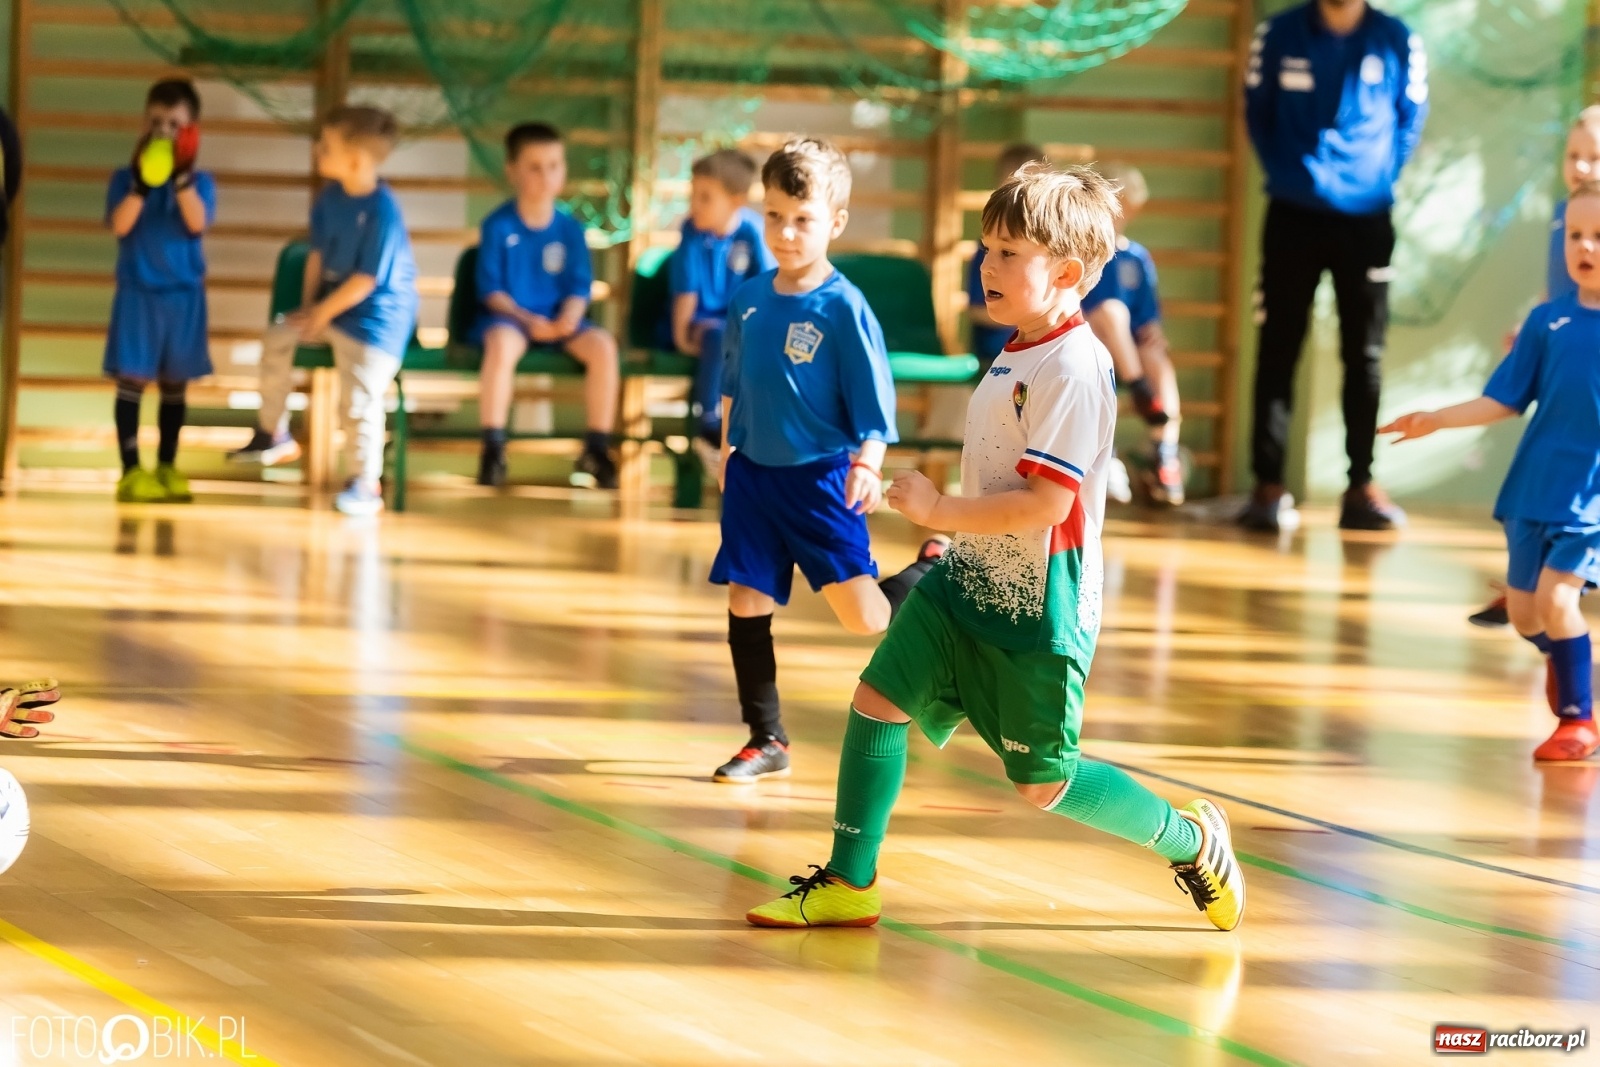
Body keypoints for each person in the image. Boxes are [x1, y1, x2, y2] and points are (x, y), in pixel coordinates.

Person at [745, 163, 1244, 932]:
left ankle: (1192, 839)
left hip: (1039, 601)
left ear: (1068, 272)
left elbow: (1047, 502)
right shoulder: (1017, 348)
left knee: (1044, 783)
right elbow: (998, 468)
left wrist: (942, 506)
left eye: (1011, 251)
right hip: (967, 578)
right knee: (877, 702)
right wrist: (950, 527)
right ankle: (850, 880)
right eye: (988, 247)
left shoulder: (1076, 367)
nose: (989, 264)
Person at [711, 138, 946, 784]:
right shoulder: (749, 297)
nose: (786, 233)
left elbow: (875, 404)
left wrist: (868, 464)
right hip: (754, 476)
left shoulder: (844, 308)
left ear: (834, 222)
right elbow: (733, 384)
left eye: (803, 219)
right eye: (775, 216)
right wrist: (729, 451)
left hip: (820, 481)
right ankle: (766, 737)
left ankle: (929, 569)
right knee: (745, 598)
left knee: (865, 619)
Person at [1379, 181, 1600, 763]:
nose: (1587, 247)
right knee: (1528, 616)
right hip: (1533, 489)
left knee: (1557, 600)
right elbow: (1505, 399)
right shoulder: (1546, 321)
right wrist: (1436, 418)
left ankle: (1578, 719)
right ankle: (1565, 656)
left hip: (1589, 501)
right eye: (1577, 235)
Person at [1240, 0, 1428, 533]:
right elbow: (1257, 112)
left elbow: (1410, 119)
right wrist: (1291, 175)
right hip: (1292, 214)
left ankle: (1360, 486)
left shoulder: (1397, 39)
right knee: (1278, 347)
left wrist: (1376, 179)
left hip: (1367, 222)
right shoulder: (1278, 34)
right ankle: (1268, 487)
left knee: (1365, 353)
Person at [230, 106, 418, 517]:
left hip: (373, 323)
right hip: (331, 309)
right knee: (278, 338)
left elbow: (365, 281)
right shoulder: (330, 198)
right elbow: (317, 255)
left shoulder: (383, 210)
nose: (318, 150)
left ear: (355, 161)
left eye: (327, 146)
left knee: (358, 399)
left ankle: (364, 483)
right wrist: (309, 309)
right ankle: (273, 431)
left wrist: (323, 313)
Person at [1470, 107, 1600, 629]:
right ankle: (1534, 584)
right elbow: (1562, 293)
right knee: (1543, 474)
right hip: (1569, 368)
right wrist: (1536, 332)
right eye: (1573, 156)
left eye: (1594, 157)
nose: (1581, 167)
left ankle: (1557, 588)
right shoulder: (1562, 223)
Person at [472, 123, 620, 489]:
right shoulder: (497, 225)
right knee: (501, 345)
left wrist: (569, 317)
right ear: (513, 171)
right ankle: (493, 447)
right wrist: (526, 319)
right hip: (513, 321)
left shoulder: (570, 229)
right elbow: (491, 291)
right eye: (534, 167)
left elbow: (578, 286)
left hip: (561, 324)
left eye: (554, 165)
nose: (546, 175)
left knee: (603, 347)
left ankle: (596, 448)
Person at [103, 79, 215, 505]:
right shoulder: (124, 179)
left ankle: (167, 464)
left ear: (191, 130)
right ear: (143, 125)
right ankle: (131, 471)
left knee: (175, 382)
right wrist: (141, 184)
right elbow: (120, 225)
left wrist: (181, 178)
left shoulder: (200, 182)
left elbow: (197, 223)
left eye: (174, 124)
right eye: (156, 122)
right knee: (131, 378)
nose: (164, 131)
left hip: (183, 296)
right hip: (138, 292)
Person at [668, 149, 774, 478]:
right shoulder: (692, 232)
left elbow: (768, 286)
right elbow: (686, 291)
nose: (694, 205)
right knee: (719, 335)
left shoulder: (753, 232)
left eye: (705, 197)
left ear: (736, 201)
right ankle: (709, 422)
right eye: (693, 195)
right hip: (704, 325)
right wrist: (681, 337)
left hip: (742, 327)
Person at [1084, 162, 1184, 505]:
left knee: (1156, 354)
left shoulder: (1136, 257)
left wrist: (1153, 331)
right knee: (1112, 312)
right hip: (1087, 342)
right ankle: (1139, 388)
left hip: (1127, 350)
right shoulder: (1082, 251)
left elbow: (1147, 315)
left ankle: (1164, 447)